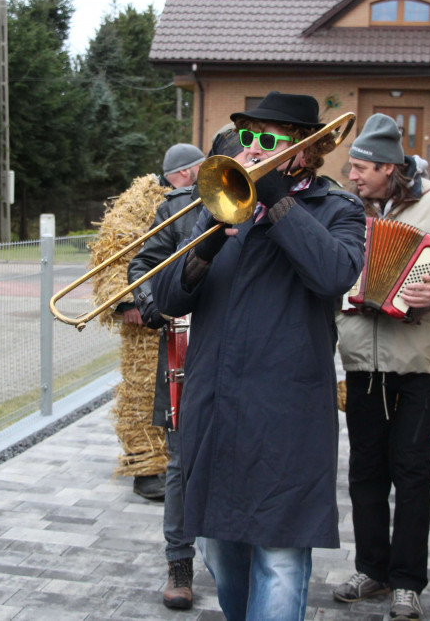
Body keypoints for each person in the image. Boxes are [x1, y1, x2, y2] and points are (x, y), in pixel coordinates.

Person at [152, 91, 367, 621]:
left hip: (286, 411)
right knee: (221, 550)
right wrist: (206, 242)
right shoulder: (219, 205)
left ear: (305, 150)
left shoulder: (337, 208)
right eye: (247, 137)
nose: (252, 149)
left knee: (280, 554)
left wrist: (277, 198)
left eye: (268, 140)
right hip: (218, 404)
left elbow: (334, 275)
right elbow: (168, 300)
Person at [333, 114, 430, 621]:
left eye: (359, 168)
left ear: (387, 167)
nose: (351, 175)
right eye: (350, 167)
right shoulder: (342, 208)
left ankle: (407, 582)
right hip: (362, 361)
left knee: (413, 471)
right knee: (365, 470)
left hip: (423, 363)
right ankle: (372, 570)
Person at [127, 140, 231, 610]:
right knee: (180, 462)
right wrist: (155, 307)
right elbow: (142, 264)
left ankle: (234, 559)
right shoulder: (179, 209)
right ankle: (179, 563)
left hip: (244, 351)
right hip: (187, 348)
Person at [88, 173, 172, 503]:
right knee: (143, 392)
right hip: (146, 319)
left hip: (183, 314)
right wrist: (128, 301)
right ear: (184, 171)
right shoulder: (139, 200)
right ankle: (146, 466)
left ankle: (175, 462)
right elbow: (114, 247)